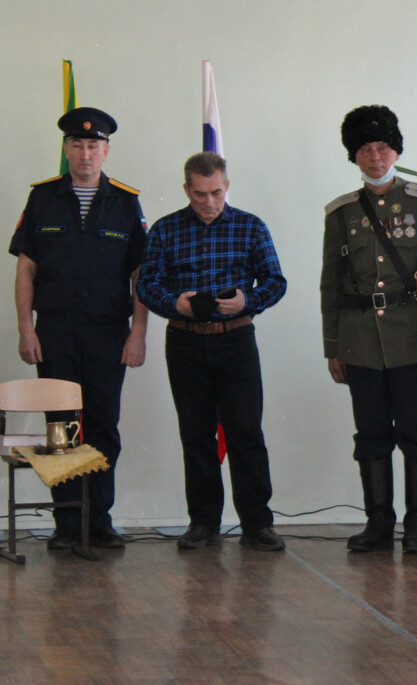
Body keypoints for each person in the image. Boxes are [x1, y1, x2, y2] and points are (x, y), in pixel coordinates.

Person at [9, 107, 148, 550]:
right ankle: (68, 522)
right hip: (55, 332)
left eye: (93, 145)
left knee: (103, 424)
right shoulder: (43, 198)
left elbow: (140, 275)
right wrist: (26, 329)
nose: (85, 153)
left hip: (109, 333)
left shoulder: (125, 202)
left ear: (106, 151)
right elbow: (26, 270)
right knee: (61, 427)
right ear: (66, 149)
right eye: (76, 144)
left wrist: (138, 332)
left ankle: (98, 520)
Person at [137, 152, 287, 552]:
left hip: (236, 340)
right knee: (196, 434)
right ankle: (203, 523)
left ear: (227, 186)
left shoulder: (250, 226)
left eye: (216, 192)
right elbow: (146, 285)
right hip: (185, 342)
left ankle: (257, 524)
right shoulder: (165, 230)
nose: (209, 202)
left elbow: (276, 281)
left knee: (246, 433)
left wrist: (247, 301)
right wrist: (175, 303)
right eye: (200, 194)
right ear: (187, 189)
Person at [320, 105, 417, 554]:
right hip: (360, 341)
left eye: (383, 147)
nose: (375, 157)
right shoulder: (340, 213)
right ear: (353, 156)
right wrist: (333, 347)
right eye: (365, 149)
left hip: (413, 338)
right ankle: (378, 524)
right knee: (371, 434)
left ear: (396, 151)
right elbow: (330, 284)